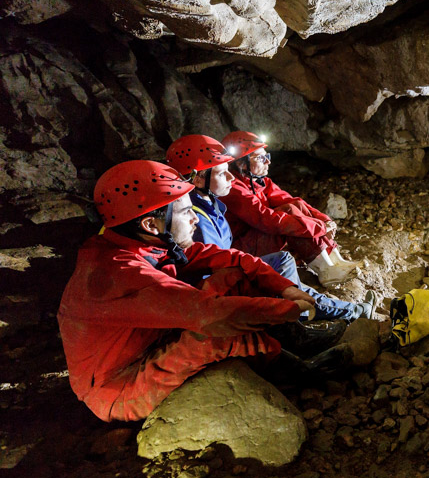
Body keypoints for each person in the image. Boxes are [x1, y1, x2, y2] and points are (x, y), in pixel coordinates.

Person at [58, 160, 318, 422]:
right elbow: (213, 316)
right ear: (150, 224)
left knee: (233, 276)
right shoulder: (120, 272)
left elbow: (234, 258)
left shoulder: (143, 245)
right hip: (119, 385)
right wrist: (288, 310)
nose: (195, 218)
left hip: (149, 342)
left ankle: (295, 340)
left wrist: (286, 288)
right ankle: (299, 374)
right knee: (219, 336)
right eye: (185, 212)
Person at [166, 135, 373, 322]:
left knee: (289, 279)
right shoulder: (198, 220)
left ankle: (352, 309)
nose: (231, 177)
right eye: (222, 173)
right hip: (223, 288)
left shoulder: (211, 203)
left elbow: (289, 201)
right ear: (197, 179)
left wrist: (322, 220)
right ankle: (296, 321)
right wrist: (260, 274)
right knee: (284, 272)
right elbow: (214, 273)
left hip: (230, 269)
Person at [219, 131, 358, 288]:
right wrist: (318, 228)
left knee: (294, 207)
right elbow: (267, 220)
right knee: (288, 216)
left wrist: (324, 220)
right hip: (241, 250)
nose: (268, 161)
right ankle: (326, 270)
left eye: (267, 156)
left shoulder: (258, 181)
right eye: (260, 158)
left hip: (255, 238)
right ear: (241, 164)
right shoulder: (233, 188)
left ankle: (335, 260)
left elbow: (291, 201)